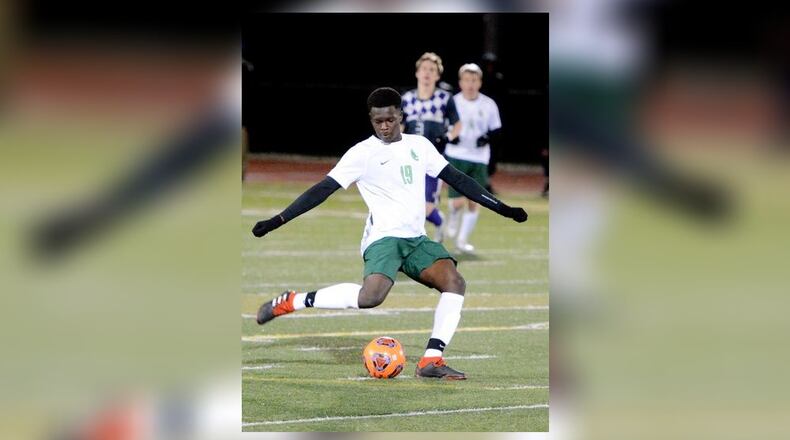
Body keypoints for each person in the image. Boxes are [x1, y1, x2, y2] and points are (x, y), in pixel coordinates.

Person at [251, 87, 528, 380]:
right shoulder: (362, 153)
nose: (384, 126)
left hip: (415, 238)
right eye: (377, 121)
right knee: (371, 297)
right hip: (383, 238)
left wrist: (503, 208)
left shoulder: (419, 146)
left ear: (401, 116)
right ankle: (293, 301)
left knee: (454, 282)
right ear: (371, 119)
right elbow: (322, 190)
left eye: (390, 120)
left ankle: (431, 360)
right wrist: (278, 219)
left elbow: (458, 179)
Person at [400, 52, 462, 242]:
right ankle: (412, 242)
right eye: (424, 69)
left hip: (432, 162)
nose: (427, 73)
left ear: (437, 75)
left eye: (432, 70)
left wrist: (447, 137)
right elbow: (400, 126)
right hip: (408, 160)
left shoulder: (444, 98)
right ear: (417, 73)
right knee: (408, 205)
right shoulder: (407, 99)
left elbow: (458, 125)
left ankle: (438, 221)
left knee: (426, 207)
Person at [444, 63, 503, 253]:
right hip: (457, 155)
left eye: (474, 80)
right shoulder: (452, 102)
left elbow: (496, 128)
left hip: (479, 158)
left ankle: (462, 241)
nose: (470, 84)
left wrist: (486, 138)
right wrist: (452, 137)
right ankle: (453, 214)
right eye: (467, 80)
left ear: (480, 82)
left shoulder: (488, 104)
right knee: (457, 201)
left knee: (475, 200)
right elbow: (444, 126)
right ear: (461, 82)